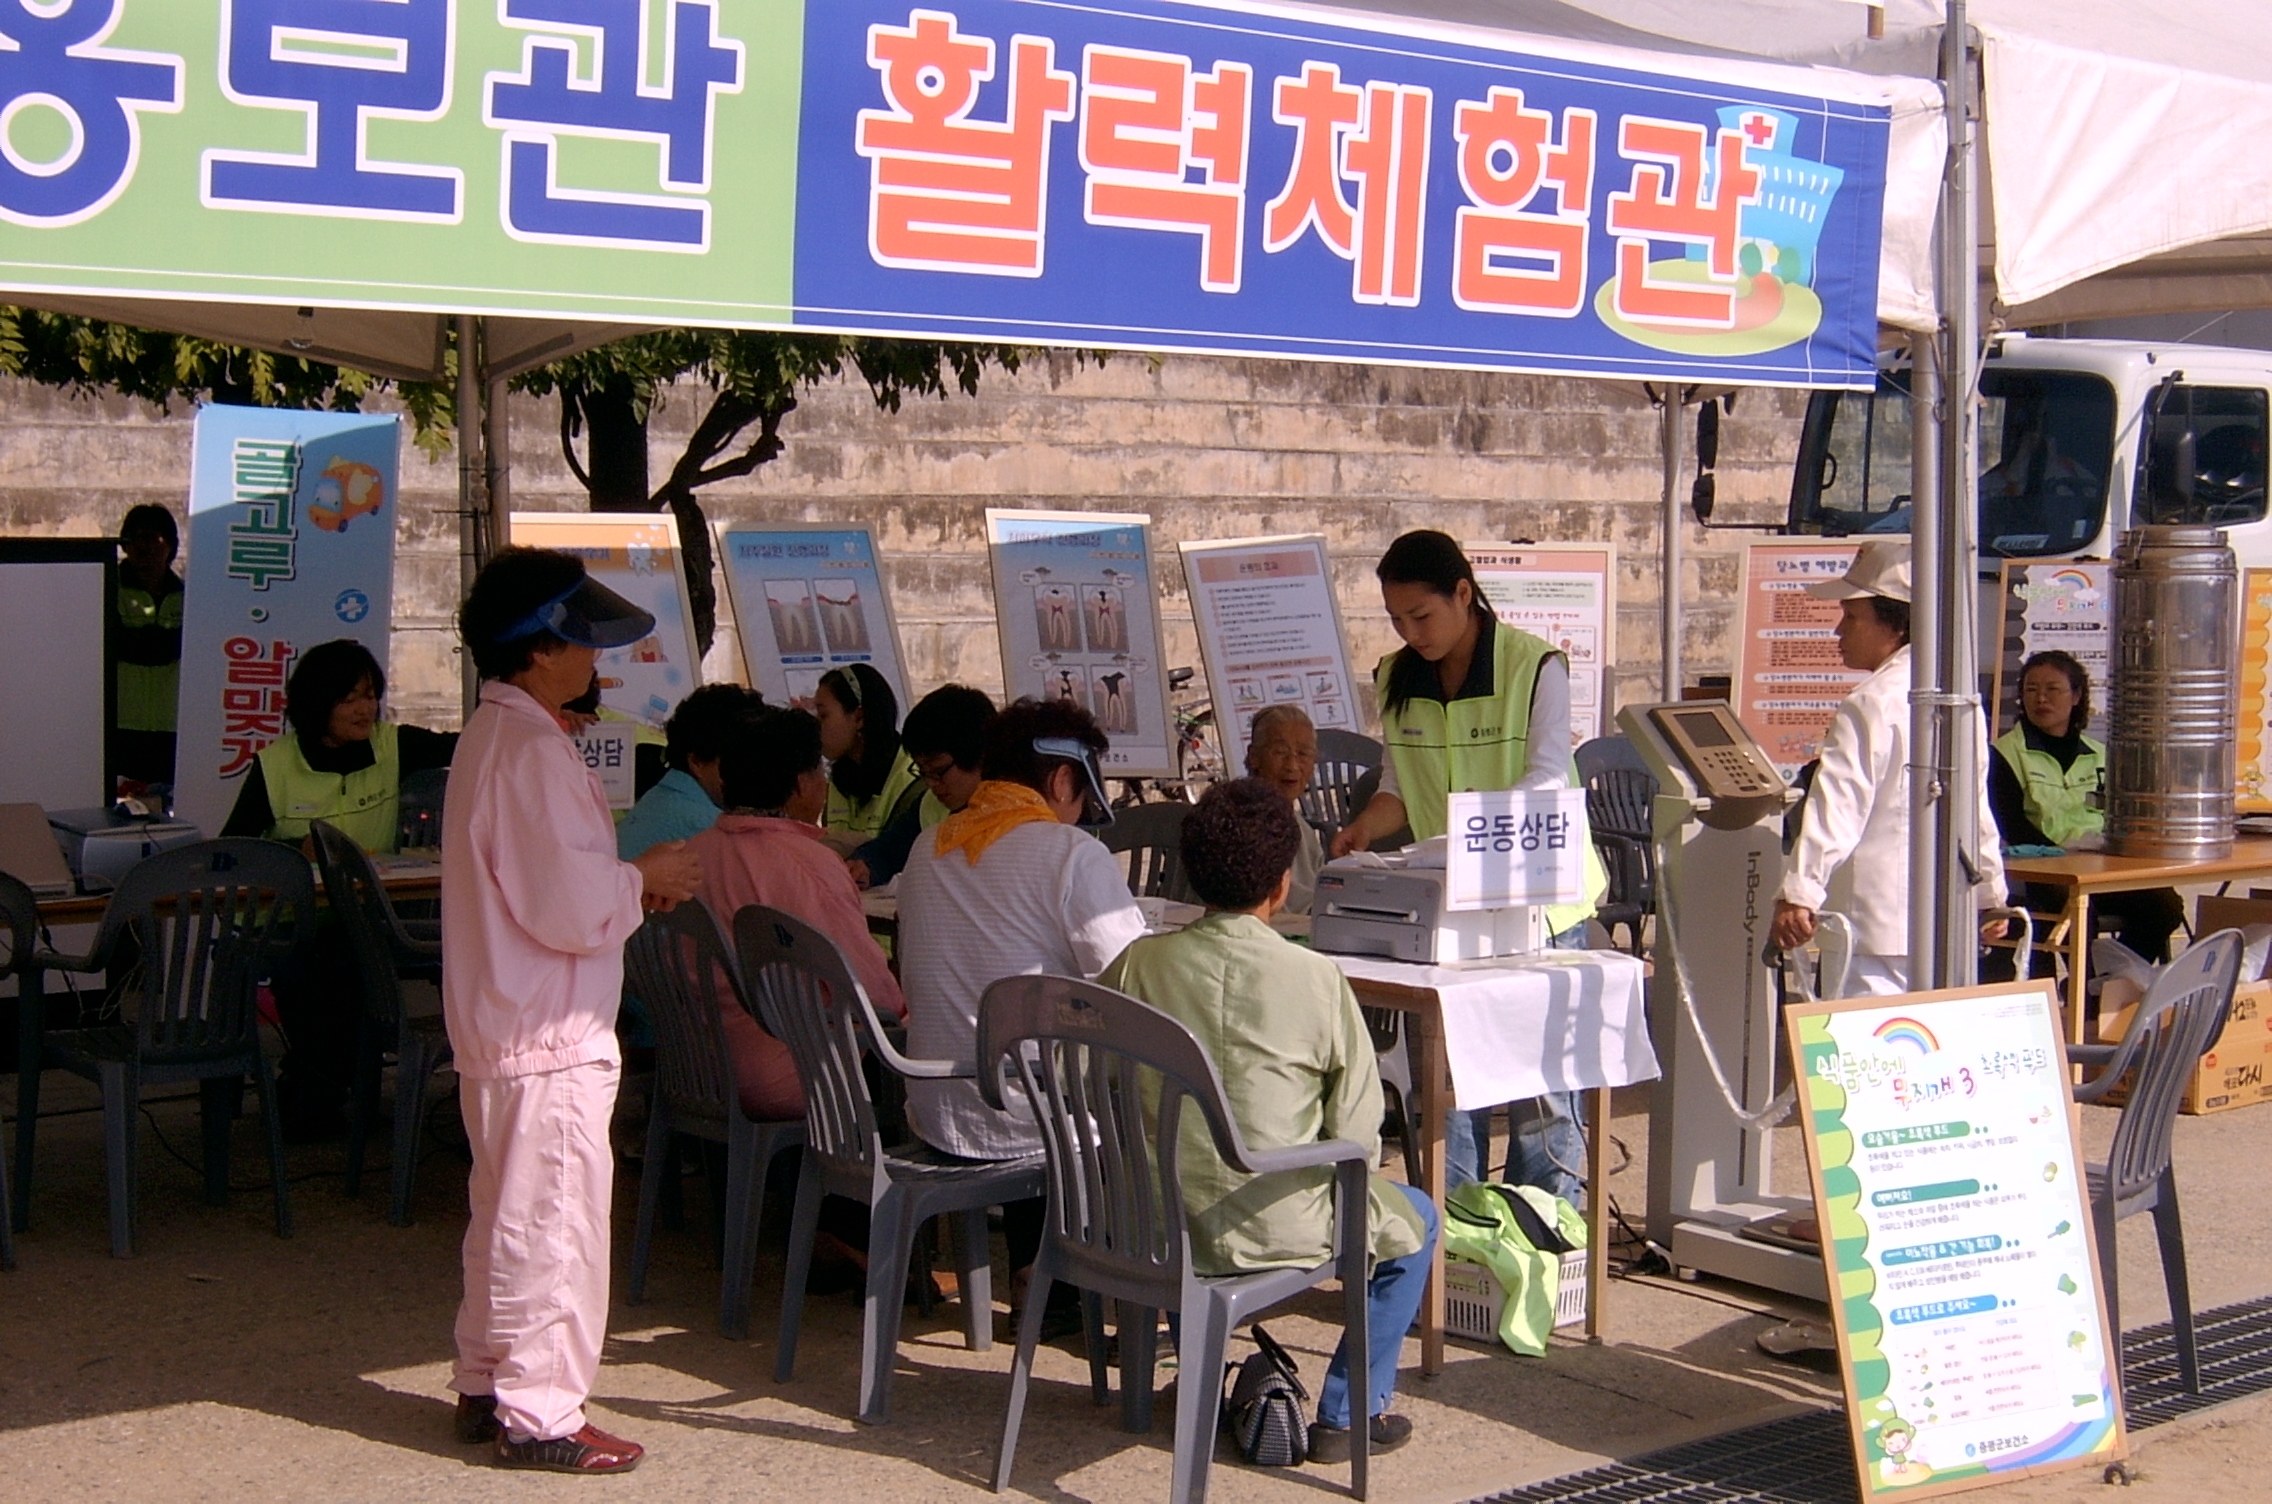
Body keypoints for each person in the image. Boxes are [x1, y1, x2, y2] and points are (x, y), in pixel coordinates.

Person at [443, 546, 704, 1474]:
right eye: (582, 640)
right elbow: (566, 904)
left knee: (505, 1216)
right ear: (545, 646)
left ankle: (487, 1379)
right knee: (553, 1226)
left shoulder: (497, 736)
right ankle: (543, 1412)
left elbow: (553, 889)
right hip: (548, 1032)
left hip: (511, 1024)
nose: (598, 658)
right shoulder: (532, 751)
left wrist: (626, 887)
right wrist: (641, 878)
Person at [1099, 779, 1437, 1461]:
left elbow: (1090, 1079)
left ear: (1189, 874)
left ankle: (1201, 1373)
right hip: (1278, 1221)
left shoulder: (1137, 964)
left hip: (1154, 1223)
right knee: (1420, 1220)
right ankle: (1348, 1413)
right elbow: (1359, 1134)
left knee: (1178, 1179)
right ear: (1282, 885)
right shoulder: (1316, 980)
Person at [1327, 530, 1604, 1199]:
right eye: (1396, 619)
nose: (1410, 633)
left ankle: (1546, 1234)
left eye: (1420, 616)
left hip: (1543, 904)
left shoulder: (1535, 667)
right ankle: (1459, 1243)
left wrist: (1473, 832)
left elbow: (1546, 782)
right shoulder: (1397, 676)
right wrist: (1367, 825)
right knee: (1451, 1084)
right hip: (1451, 909)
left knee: (1542, 1089)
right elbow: (1399, 786)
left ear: (1463, 592)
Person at [895, 697, 1147, 1327]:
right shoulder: (1070, 854)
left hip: (935, 1102)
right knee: (1139, 1075)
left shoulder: (928, 848)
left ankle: (1047, 1273)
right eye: (1082, 793)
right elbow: (1133, 981)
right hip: (1023, 1111)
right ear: (1063, 779)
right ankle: (1111, 1281)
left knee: (1038, 1050)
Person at [1769, 541, 2007, 993]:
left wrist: (1799, 892)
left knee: (1871, 1055)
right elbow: (1975, 809)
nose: (1839, 631)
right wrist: (1990, 895)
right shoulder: (1961, 701)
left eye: (1852, 617)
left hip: (1872, 933)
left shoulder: (1869, 704)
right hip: (1944, 925)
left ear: (1896, 624)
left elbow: (1838, 806)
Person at [686, 705, 906, 1121]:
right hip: (787, 1072)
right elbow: (876, 996)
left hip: (695, 1064)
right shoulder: (809, 866)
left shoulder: (692, 854)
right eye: (819, 773)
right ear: (800, 784)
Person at [1989, 649, 2183, 962]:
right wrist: (2059, 858)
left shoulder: (2099, 753)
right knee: (2078, 911)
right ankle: (2087, 997)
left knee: (2164, 905)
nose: (2041, 699)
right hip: (2043, 872)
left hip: (2099, 868)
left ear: (2076, 696)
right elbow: (2012, 824)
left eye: (2053, 690)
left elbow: (2122, 815)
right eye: (2031, 690)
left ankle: (2114, 982)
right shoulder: (2003, 754)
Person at [219, 638, 456, 851]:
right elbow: (231, 849)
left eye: (370, 696)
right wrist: (296, 849)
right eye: (349, 700)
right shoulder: (274, 765)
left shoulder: (392, 744)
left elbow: (464, 747)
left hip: (373, 893)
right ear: (317, 704)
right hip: (303, 896)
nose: (364, 710)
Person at [848, 684, 996, 888]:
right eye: (922, 772)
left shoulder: (1020, 808)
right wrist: (866, 865)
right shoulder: (929, 806)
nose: (930, 783)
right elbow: (889, 849)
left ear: (980, 756)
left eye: (938, 771)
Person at [616, 683, 763, 860]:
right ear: (697, 761)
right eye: (740, 761)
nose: (754, 773)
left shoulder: (664, 799)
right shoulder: (709, 826)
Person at [113, 504, 185, 788]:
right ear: (124, 546)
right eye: (136, 540)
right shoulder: (107, 590)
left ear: (171, 546)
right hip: (119, 724)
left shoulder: (189, 598)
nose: (145, 549)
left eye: (154, 539)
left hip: (171, 728)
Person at [815, 664, 917, 853]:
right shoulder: (839, 779)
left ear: (859, 717)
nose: (816, 727)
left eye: (823, 715)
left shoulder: (911, 780)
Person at [1244, 704, 1325, 913]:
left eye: (1303, 754)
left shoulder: (1302, 829)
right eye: (1280, 752)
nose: (1292, 765)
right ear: (1254, 757)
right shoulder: (1241, 821)